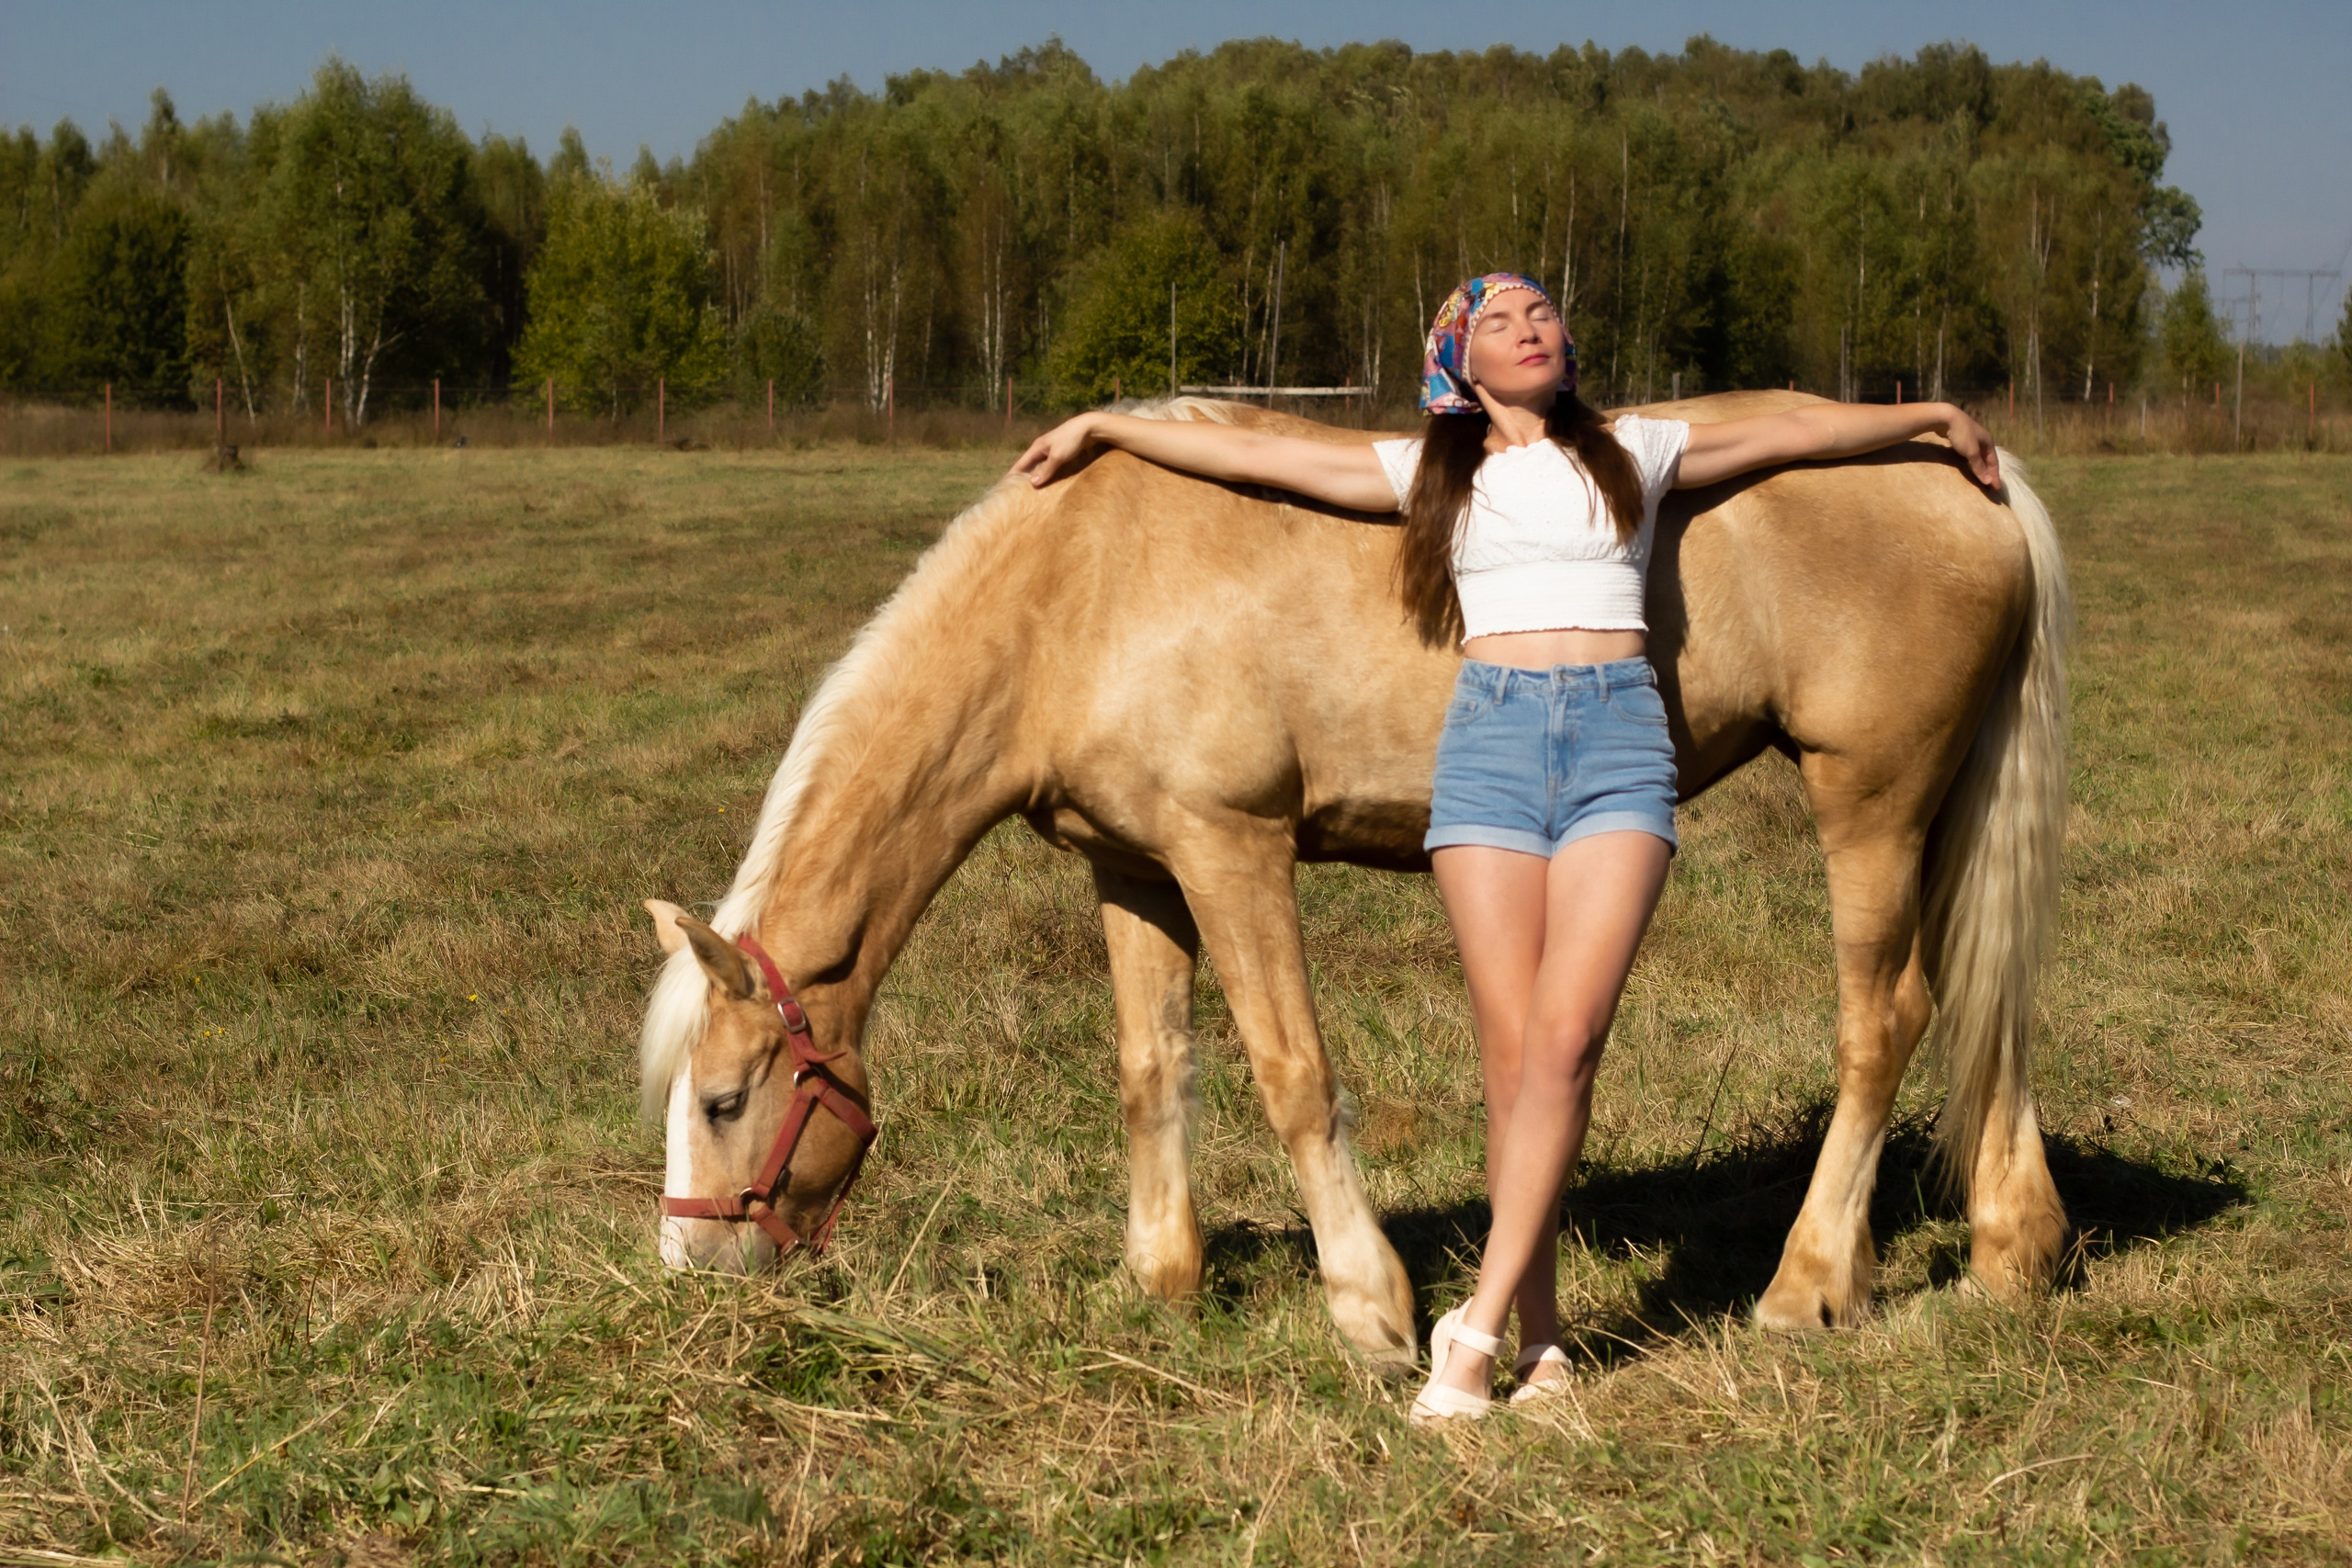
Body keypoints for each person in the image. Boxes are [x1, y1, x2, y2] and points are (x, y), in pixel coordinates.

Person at [1011, 274, 2001, 1424]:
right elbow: (1261, 463)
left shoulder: (1636, 448)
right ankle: (1545, 1346)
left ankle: (1470, 1334)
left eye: (1541, 314)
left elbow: (1794, 432)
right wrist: (1101, 425)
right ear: (1459, 366)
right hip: (1483, 750)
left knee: (1569, 1039)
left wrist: (1926, 418)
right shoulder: (1433, 472)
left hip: (1621, 743)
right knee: (1509, 1060)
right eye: (1497, 322)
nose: (1528, 329)